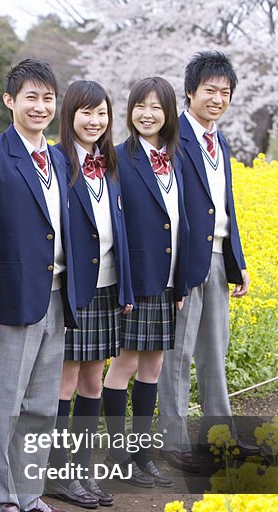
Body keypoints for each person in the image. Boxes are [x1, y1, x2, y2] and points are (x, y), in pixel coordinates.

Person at [0, 59, 78, 512]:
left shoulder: (56, 157)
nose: (40, 106)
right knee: (3, 404)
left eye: (48, 98)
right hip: (10, 301)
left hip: (54, 296)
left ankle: (29, 494)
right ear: (10, 101)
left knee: (40, 405)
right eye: (30, 97)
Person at [158, 51, 258, 472]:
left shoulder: (222, 140)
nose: (217, 99)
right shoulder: (171, 138)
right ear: (190, 92)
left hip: (218, 259)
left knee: (215, 353)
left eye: (225, 92)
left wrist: (238, 260)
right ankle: (173, 442)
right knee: (176, 356)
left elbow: (226, 204)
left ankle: (221, 436)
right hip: (183, 263)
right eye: (210, 91)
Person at [44, 80, 134, 509]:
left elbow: (121, 233)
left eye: (101, 114)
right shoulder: (58, 161)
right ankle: (58, 473)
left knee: (94, 380)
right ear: (69, 116)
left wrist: (126, 288)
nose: (95, 121)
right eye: (86, 113)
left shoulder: (109, 162)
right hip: (75, 287)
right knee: (65, 380)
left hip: (108, 285)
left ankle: (82, 469)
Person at [102, 76, 190, 488]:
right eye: (141, 105)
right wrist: (127, 287)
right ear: (130, 110)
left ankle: (142, 454)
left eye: (157, 107)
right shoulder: (117, 158)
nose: (148, 114)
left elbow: (183, 223)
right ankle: (119, 456)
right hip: (136, 282)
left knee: (153, 365)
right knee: (125, 363)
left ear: (169, 114)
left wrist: (182, 283)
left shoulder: (175, 159)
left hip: (168, 281)